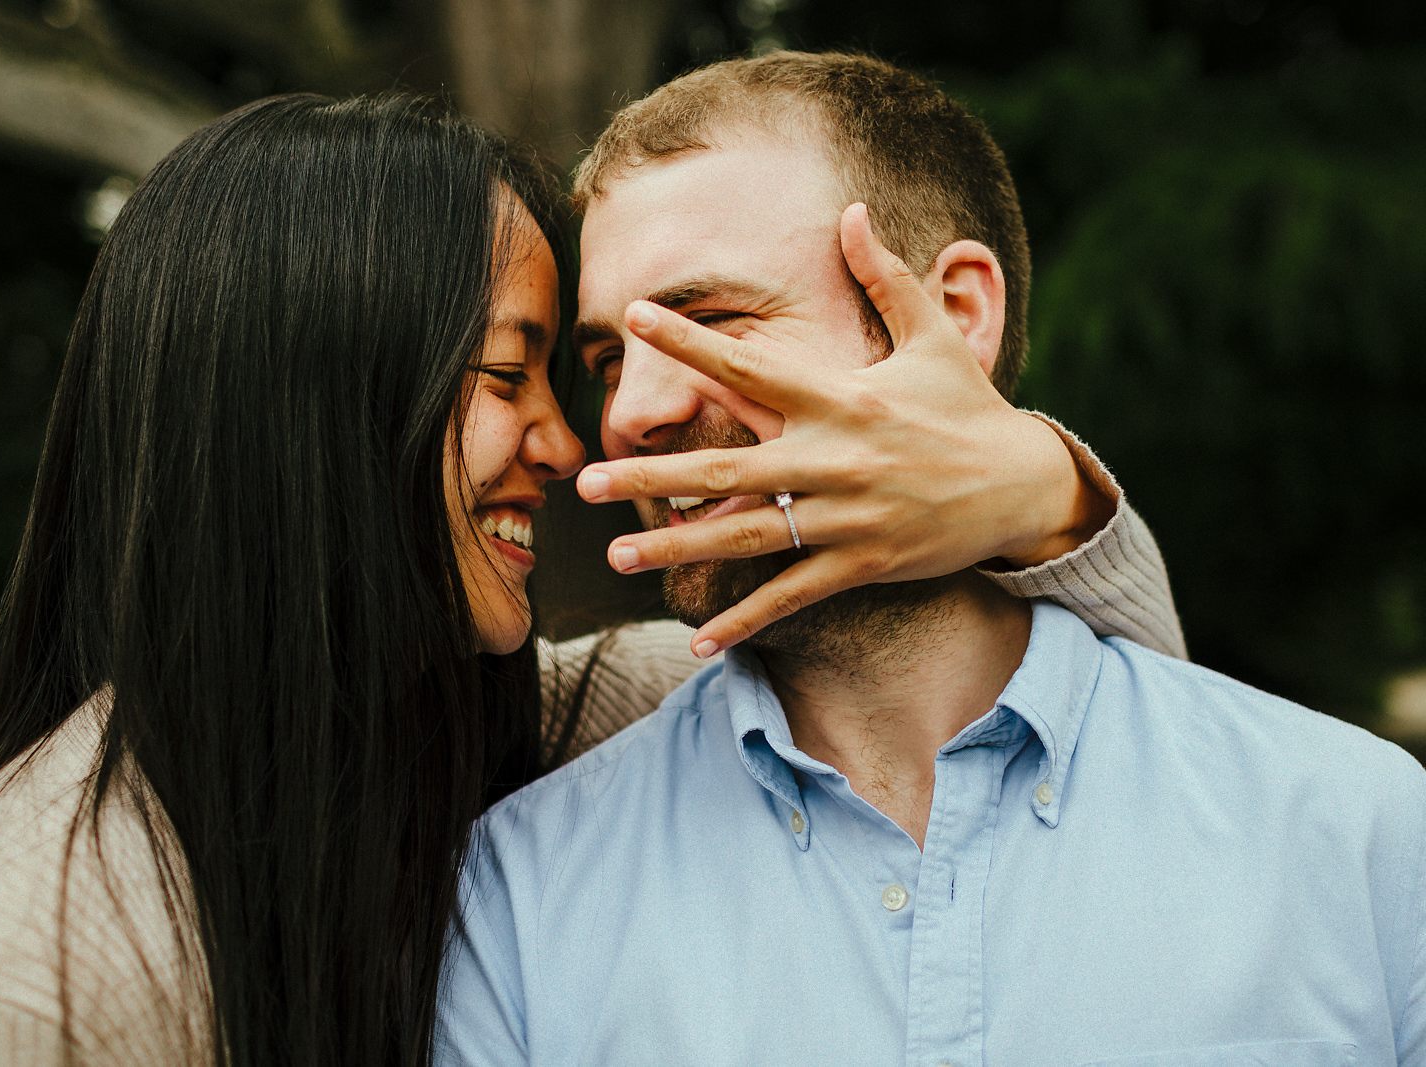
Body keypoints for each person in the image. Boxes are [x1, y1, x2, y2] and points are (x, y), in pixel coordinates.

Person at [0, 90, 1175, 1067]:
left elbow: (1124, 754)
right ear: (321, 411)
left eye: (567, 374)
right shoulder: (36, 968)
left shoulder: (558, 722)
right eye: (509, 374)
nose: (568, 439)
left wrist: (1037, 488)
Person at [435, 53, 1426, 1065]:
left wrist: (1050, 488)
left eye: (712, 322)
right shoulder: (519, 893)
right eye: (607, 359)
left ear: (955, 316)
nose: (631, 412)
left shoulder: (1363, 835)